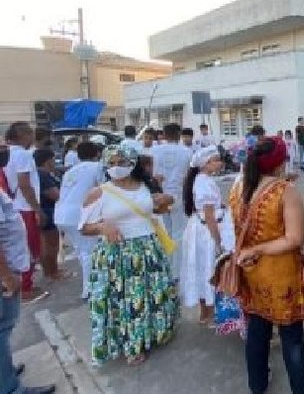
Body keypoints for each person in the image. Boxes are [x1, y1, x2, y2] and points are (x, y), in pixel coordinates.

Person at [230, 137, 304, 394]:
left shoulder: (239, 188)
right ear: (280, 163)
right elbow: (294, 239)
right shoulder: (285, 191)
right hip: (281, 277)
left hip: (251, 272)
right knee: (292, 339)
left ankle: (257, 386)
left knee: (257, 332)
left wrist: (252, 250)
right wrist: (259, 248)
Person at [80, 145, 177, 365]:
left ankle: (153, 334)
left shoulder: (145, 186)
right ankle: (131, 345)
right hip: (117, 254)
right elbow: (84, 227)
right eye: (111, 163)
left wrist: (166, 201)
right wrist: (103, 228)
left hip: (149, 248)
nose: (116, 167)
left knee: (153, 294)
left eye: (121, 162)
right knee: (126, 300)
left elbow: (158, 211)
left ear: (132, 164)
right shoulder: (99, 192)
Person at [1, 186, 56, 394]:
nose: (5, 152)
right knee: (2, 328)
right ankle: (10, 388)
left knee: (3, 329)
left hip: (8, 268)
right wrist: (5, 275)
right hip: (4, 272)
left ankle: (4, 373)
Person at [181, 146, 231, 326]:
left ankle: (207, 312)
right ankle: (208, 312)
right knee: (209, 268)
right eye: (216, 160)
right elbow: (209, 216)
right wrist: (218, 241)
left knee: (204, 268)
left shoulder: (204, 179)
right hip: (207, 233)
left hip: (203, 229)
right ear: (206, 163)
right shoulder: (203, 182)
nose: (219, 163)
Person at [3, 122, 48, 303]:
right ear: (23, 135)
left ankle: (21, 285)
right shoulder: (22, 154)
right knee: (30, 248)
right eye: (30, 133)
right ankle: (26, 289)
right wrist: (37, 209)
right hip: (24, 207)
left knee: (16, 247)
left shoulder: (7, 152)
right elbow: (24, 183)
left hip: (12, 206)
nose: (33, 137)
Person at [55, 141, 103, 300]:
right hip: (79, 215)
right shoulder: (97, 167)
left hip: (62, 215)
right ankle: (89, 291)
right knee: (89, 252)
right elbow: (103, 189)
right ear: (96, 153)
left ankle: (90, 287)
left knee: (83, 252)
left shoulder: (71, 171)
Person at [152, 123, 193, 281]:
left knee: (166, 232)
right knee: (179, 233)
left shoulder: (155, 151)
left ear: (163, 134)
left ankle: (167, 268)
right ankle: (177, 271)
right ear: (179, 134)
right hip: (177, 195)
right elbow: (188, 177)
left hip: (159, 195)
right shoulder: (186, 152)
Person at [34, 149, 64, 281]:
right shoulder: (43, 174)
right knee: (52, 244)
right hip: (48, 210)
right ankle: (53, 272)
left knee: (45, 244)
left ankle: (49, 271)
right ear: (48, 160)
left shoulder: (38, 173)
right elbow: (54, 194)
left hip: (44, 209)